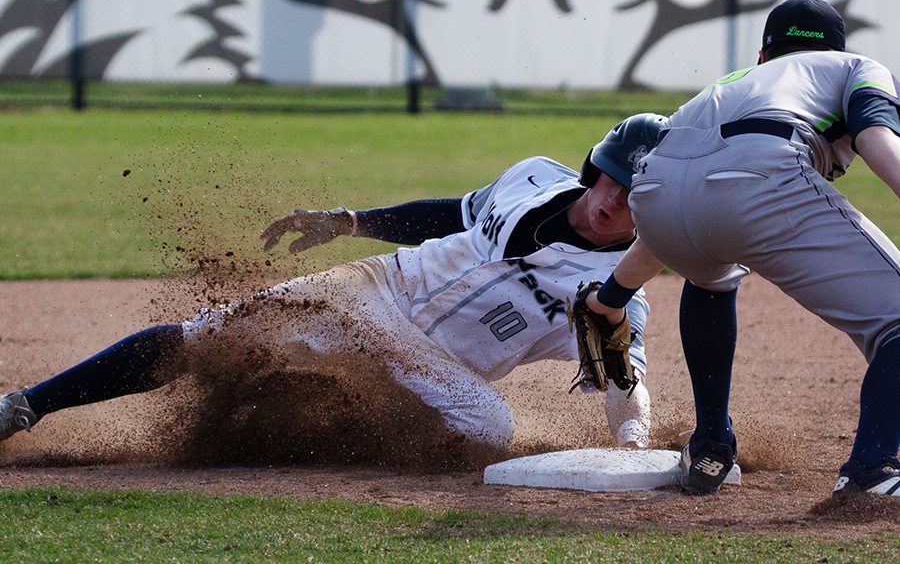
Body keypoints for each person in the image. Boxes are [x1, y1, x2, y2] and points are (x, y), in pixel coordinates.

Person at [0, 113, 669, 459]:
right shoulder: (533, 177)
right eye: (611, 177)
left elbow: (622, 379)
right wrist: (350, 221)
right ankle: (25, 406)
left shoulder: (615, 290)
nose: (612, 201)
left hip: (434, 371)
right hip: (371, 291)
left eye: (635, 196)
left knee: (489, 424)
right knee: (210, 340)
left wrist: (633, 447)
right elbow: (452, 213)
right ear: (594, 166)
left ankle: (307, 435)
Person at [585, 0, 900, 496]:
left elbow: (688, 206)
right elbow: (875, 136)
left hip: (656, 186)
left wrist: (610, 298)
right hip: (762, 170)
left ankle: (711, 444)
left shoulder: (729, 84)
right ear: (837, 49)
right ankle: (871, 470)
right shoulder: (855, 67)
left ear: (763, 53)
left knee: (708, 270)